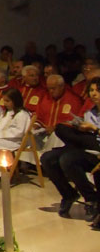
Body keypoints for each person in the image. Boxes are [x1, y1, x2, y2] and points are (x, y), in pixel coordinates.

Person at [41, 77, 100, 220]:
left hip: (97, 149)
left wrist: (93, 128)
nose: (94, 94)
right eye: (91, 90)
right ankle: (69, 194)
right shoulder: (89, 112)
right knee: (47, 158)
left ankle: (92, 199)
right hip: (86, 144)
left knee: (67, 159)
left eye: (98, 90)